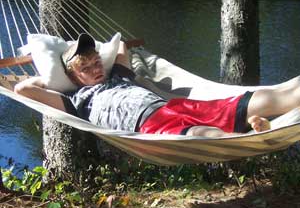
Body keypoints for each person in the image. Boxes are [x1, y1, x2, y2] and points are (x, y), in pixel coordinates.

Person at [14, 33, 300, 138]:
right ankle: (255, 135)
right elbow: (23, 90)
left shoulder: (119, 76)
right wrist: (53, 79)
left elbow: (122, 46)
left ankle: (255, 124)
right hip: (150, 126)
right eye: (85, 68)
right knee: (202, 135)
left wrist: (106, 58)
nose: (95, 69)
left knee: (265, 96)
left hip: (175, 107)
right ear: (75, 78)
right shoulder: (77, 102)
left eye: (96, 62)